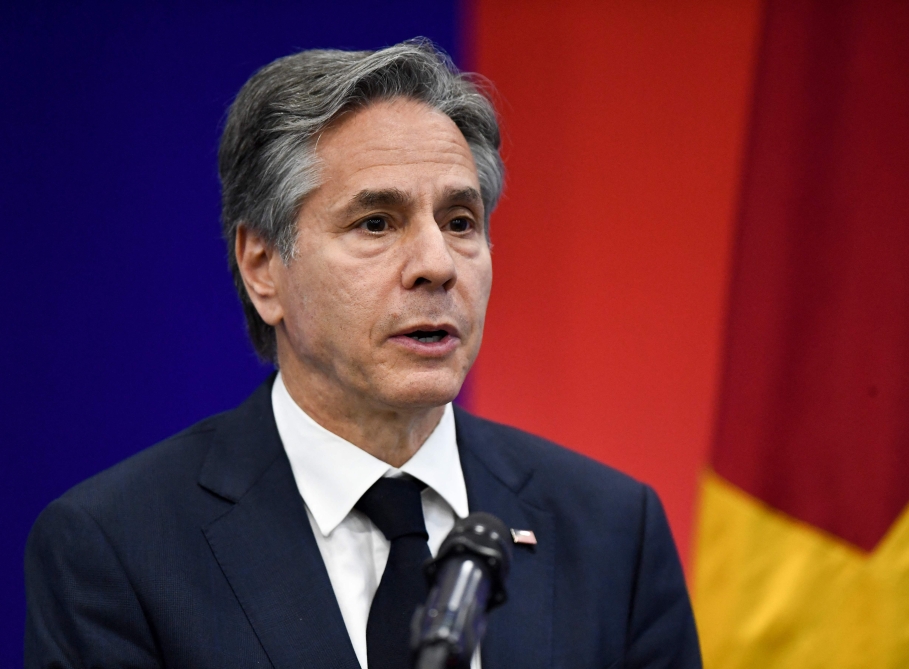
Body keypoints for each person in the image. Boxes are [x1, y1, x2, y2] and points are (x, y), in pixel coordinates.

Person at [24, 39, 701, 669]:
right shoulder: (116, 548)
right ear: (263, 267)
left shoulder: (614, 534)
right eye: (376, 222)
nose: (437, 264)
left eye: (460, 222)